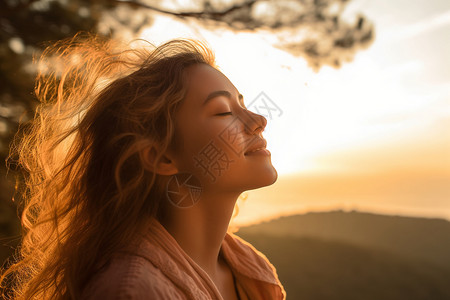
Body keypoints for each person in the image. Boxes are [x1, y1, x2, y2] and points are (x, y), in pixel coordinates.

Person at [0, 33, 286, 299]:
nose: (258, 120)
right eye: (224, 111)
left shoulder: (248, 269)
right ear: (161, 157)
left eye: (242, 104)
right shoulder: (132, 290)